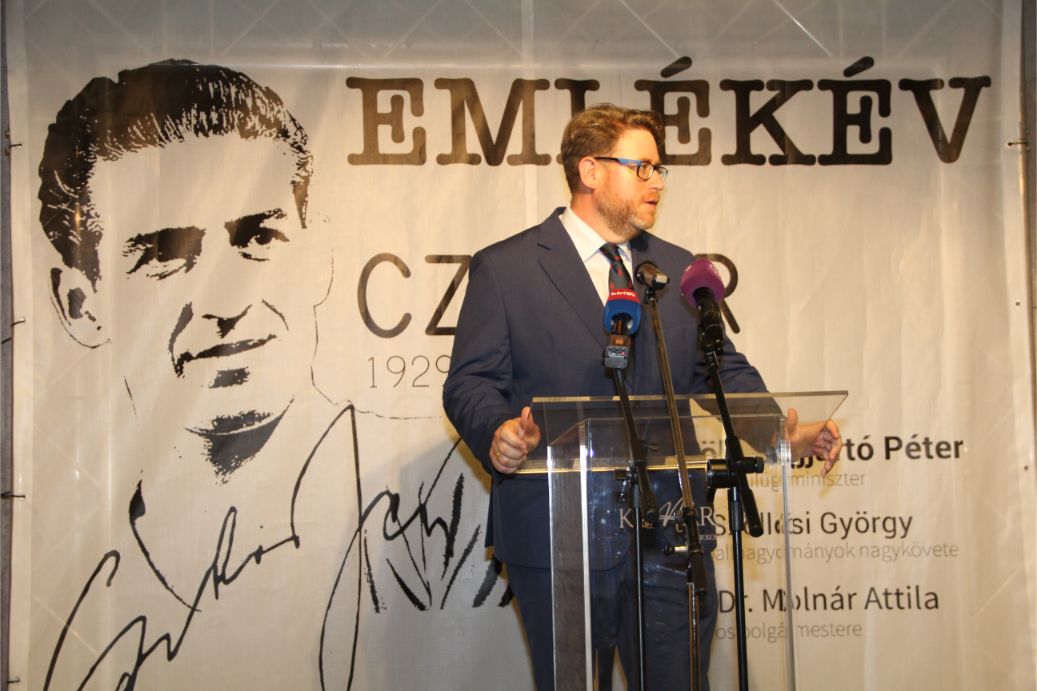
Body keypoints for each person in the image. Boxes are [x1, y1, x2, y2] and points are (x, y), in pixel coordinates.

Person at [443, 103, 842, 690]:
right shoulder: (508, 269)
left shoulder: (678, 270)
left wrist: (780, 432)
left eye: (660, 170)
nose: (657, 182)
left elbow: (721, 371)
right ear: (591, 170)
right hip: (559, 533)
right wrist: (498, 432)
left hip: (671, 532)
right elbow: (470, 382)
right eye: (643, 168)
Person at [34, 59, 364, 689]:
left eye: (259, 238)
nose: (225, 301)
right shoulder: (77, 602)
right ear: (82, 305)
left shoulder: (423, 517)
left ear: (322, 254)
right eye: (165, 255)